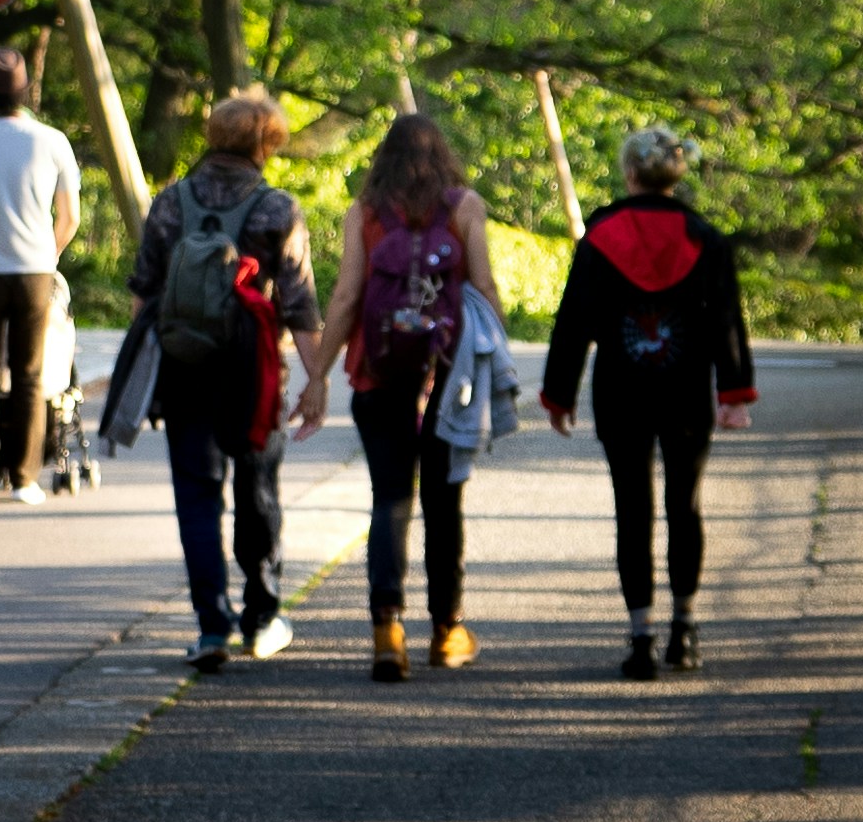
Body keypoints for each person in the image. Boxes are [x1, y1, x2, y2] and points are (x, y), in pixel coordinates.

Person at [540, 124, 755, 678]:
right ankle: (685, 631)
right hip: (685, 390)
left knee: (631, 510)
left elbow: (574, 322)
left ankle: (640, 638)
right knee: (684, 504)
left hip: (621, 391)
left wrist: (558, 392)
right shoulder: (705, 238)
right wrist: (733, 393)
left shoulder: (600, 238)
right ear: (675, 175)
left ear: (630, 173)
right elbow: (726, 320)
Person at [292, 108, 492, 680]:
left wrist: (318, 375)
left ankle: (388, 632)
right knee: (444, 504)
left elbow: (348, 295)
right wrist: (496, 371)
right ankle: (448, 633)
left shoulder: (366, 213)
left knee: (389, 500)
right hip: (448, 382)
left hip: (377, 378)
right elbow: (481, 289)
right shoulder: (465, 207)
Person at [128, 91, 317, 667]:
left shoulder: (168, 204)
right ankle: (262, 618)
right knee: (257, 491)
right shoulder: (276, 209)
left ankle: (212, 627)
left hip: (185, 367)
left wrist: (142, 381)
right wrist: (317, 380)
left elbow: (143, 299)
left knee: (196, 495)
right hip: (253, 372)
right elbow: (300, 304)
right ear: (266, 144)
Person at [0, 40, 85, 501]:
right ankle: (25, 478)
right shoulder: (53, 142)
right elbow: (70, 217)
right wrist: (51, 250)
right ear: (25, 92)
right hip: (35, 272)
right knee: (29, 373)